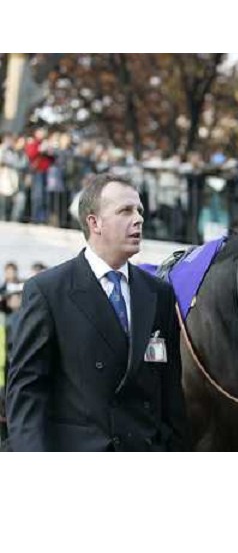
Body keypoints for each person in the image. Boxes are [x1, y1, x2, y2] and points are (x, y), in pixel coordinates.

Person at [6, 173, 188, 451]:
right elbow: (27, 390)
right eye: (125, 211)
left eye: (139, 210)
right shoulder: (48, 291)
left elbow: (170, 391)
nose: (138, 219)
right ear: (94, 222)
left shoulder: (158, 293)